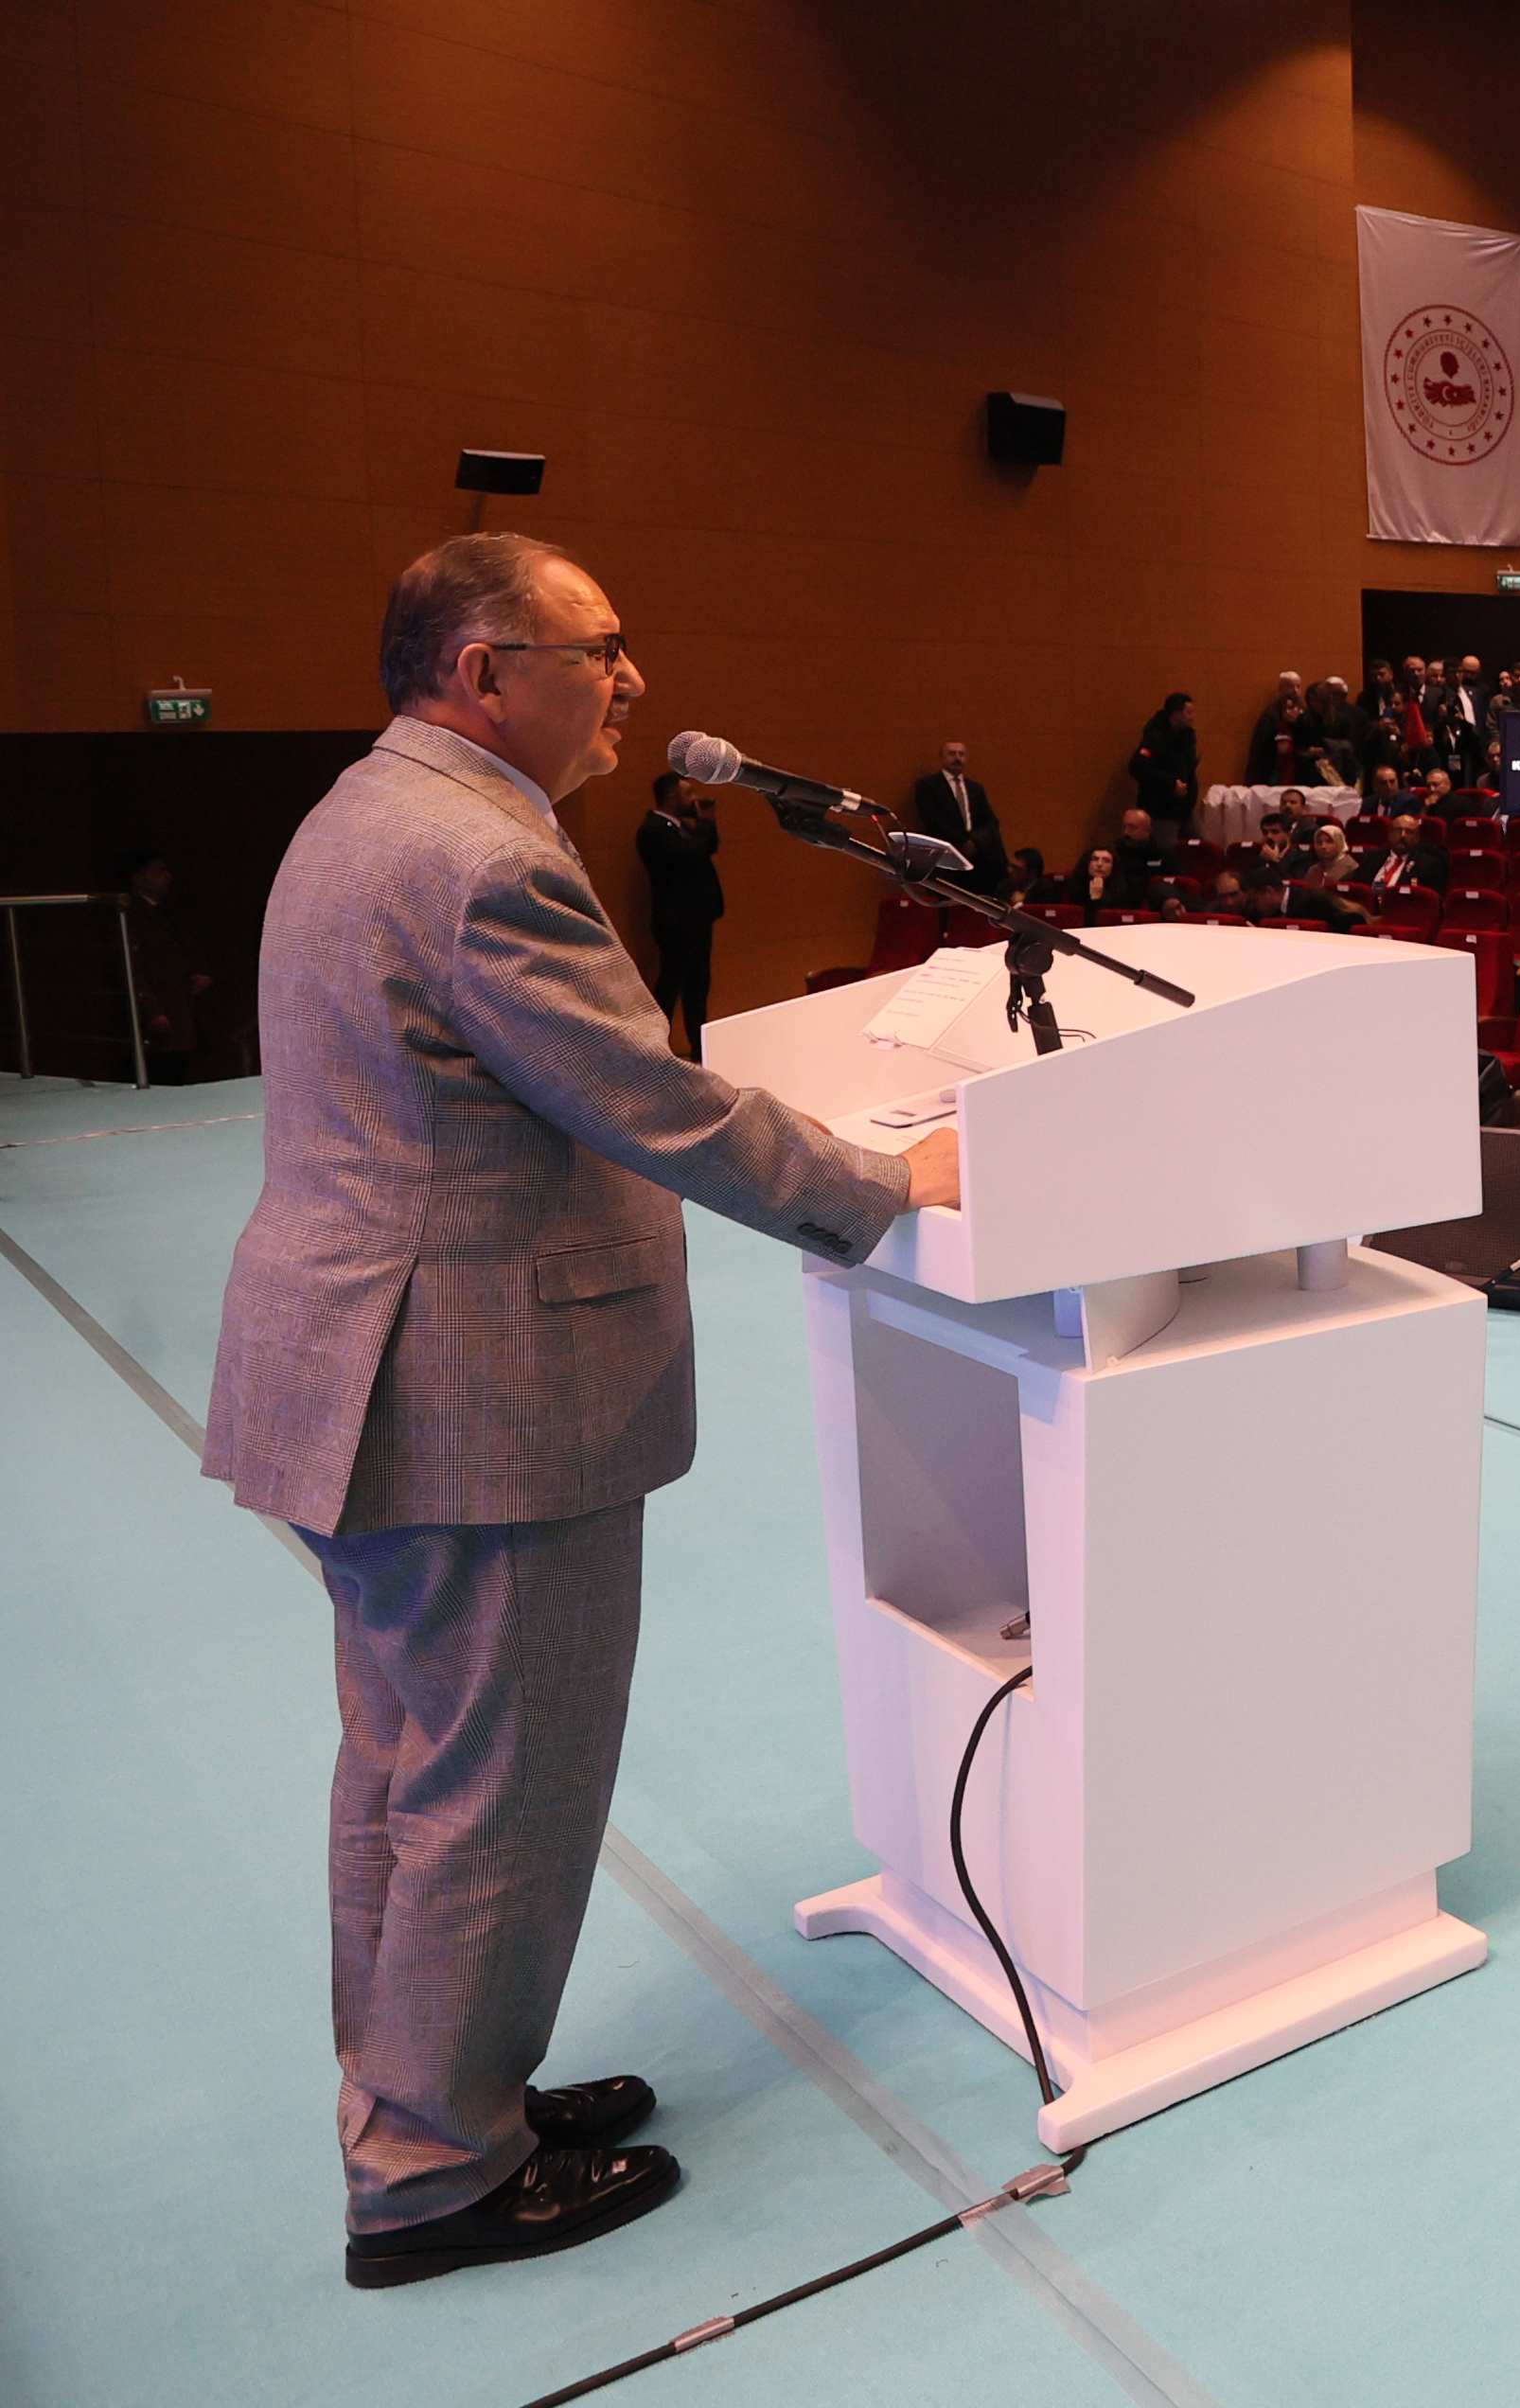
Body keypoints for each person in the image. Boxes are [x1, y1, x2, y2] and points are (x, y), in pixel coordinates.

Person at [205, 532, 960, 2289]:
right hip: (471, 1396)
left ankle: (423, 2090)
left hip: (354, 1374)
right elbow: (655, 1104)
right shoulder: (482, 858)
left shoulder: (368, 810)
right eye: (596, 647)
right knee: (501, 1782)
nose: (630, 679)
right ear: (484, 672)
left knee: (406, 1766)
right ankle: (434, 2174)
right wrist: (881, 1180)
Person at [629, 770, 722, 1058]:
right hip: (676, 922)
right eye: (689, 794)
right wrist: (706, 822)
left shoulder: (681, 827)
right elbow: (691, 857)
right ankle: (654, 1048)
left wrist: (705, 825)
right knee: (671, 985)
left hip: (696, 919)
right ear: (672, 797)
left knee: (698, 985)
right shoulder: (653, 830)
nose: (694, 799)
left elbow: (709, 849)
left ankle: (700, 1048)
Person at [904, 738, 1007, 896]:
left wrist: (975, 842)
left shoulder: (975, 789)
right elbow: (933, 820)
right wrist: (962, 843)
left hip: (977, 861)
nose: (957, 758)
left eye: (961, 754)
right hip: (946, 857)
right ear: (942, 758)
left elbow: (991, 822)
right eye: (952, 754)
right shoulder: (928, 785)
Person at [1126, 693, 1196, 823]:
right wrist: (1171, 784)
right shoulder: (1155, 738)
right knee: (1167, 843)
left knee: (1204, 842)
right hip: (1160, 809)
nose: (1192, 718)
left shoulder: (1186, 738)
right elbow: (1137, 766)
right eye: (1189, 713)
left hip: (1184, 808)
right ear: (1176, 714)